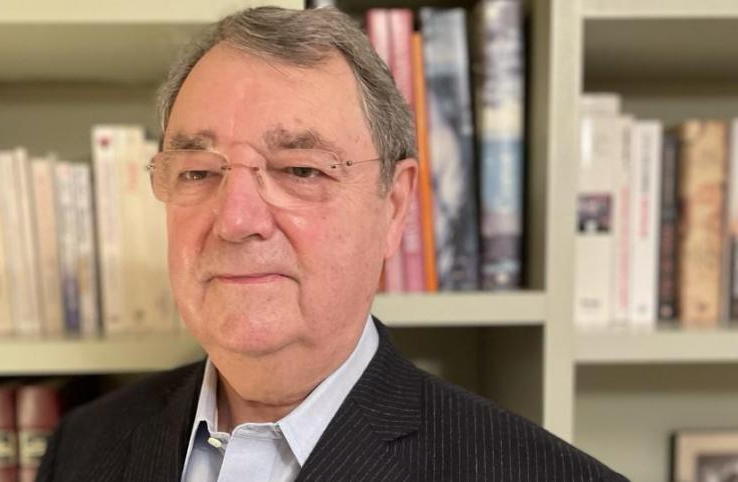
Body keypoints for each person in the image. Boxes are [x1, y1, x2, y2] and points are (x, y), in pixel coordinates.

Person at [37, 6, 628, 481]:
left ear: (393, 207)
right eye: (197, 172)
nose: (236, 220)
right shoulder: (82, 447)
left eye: (300, 170)